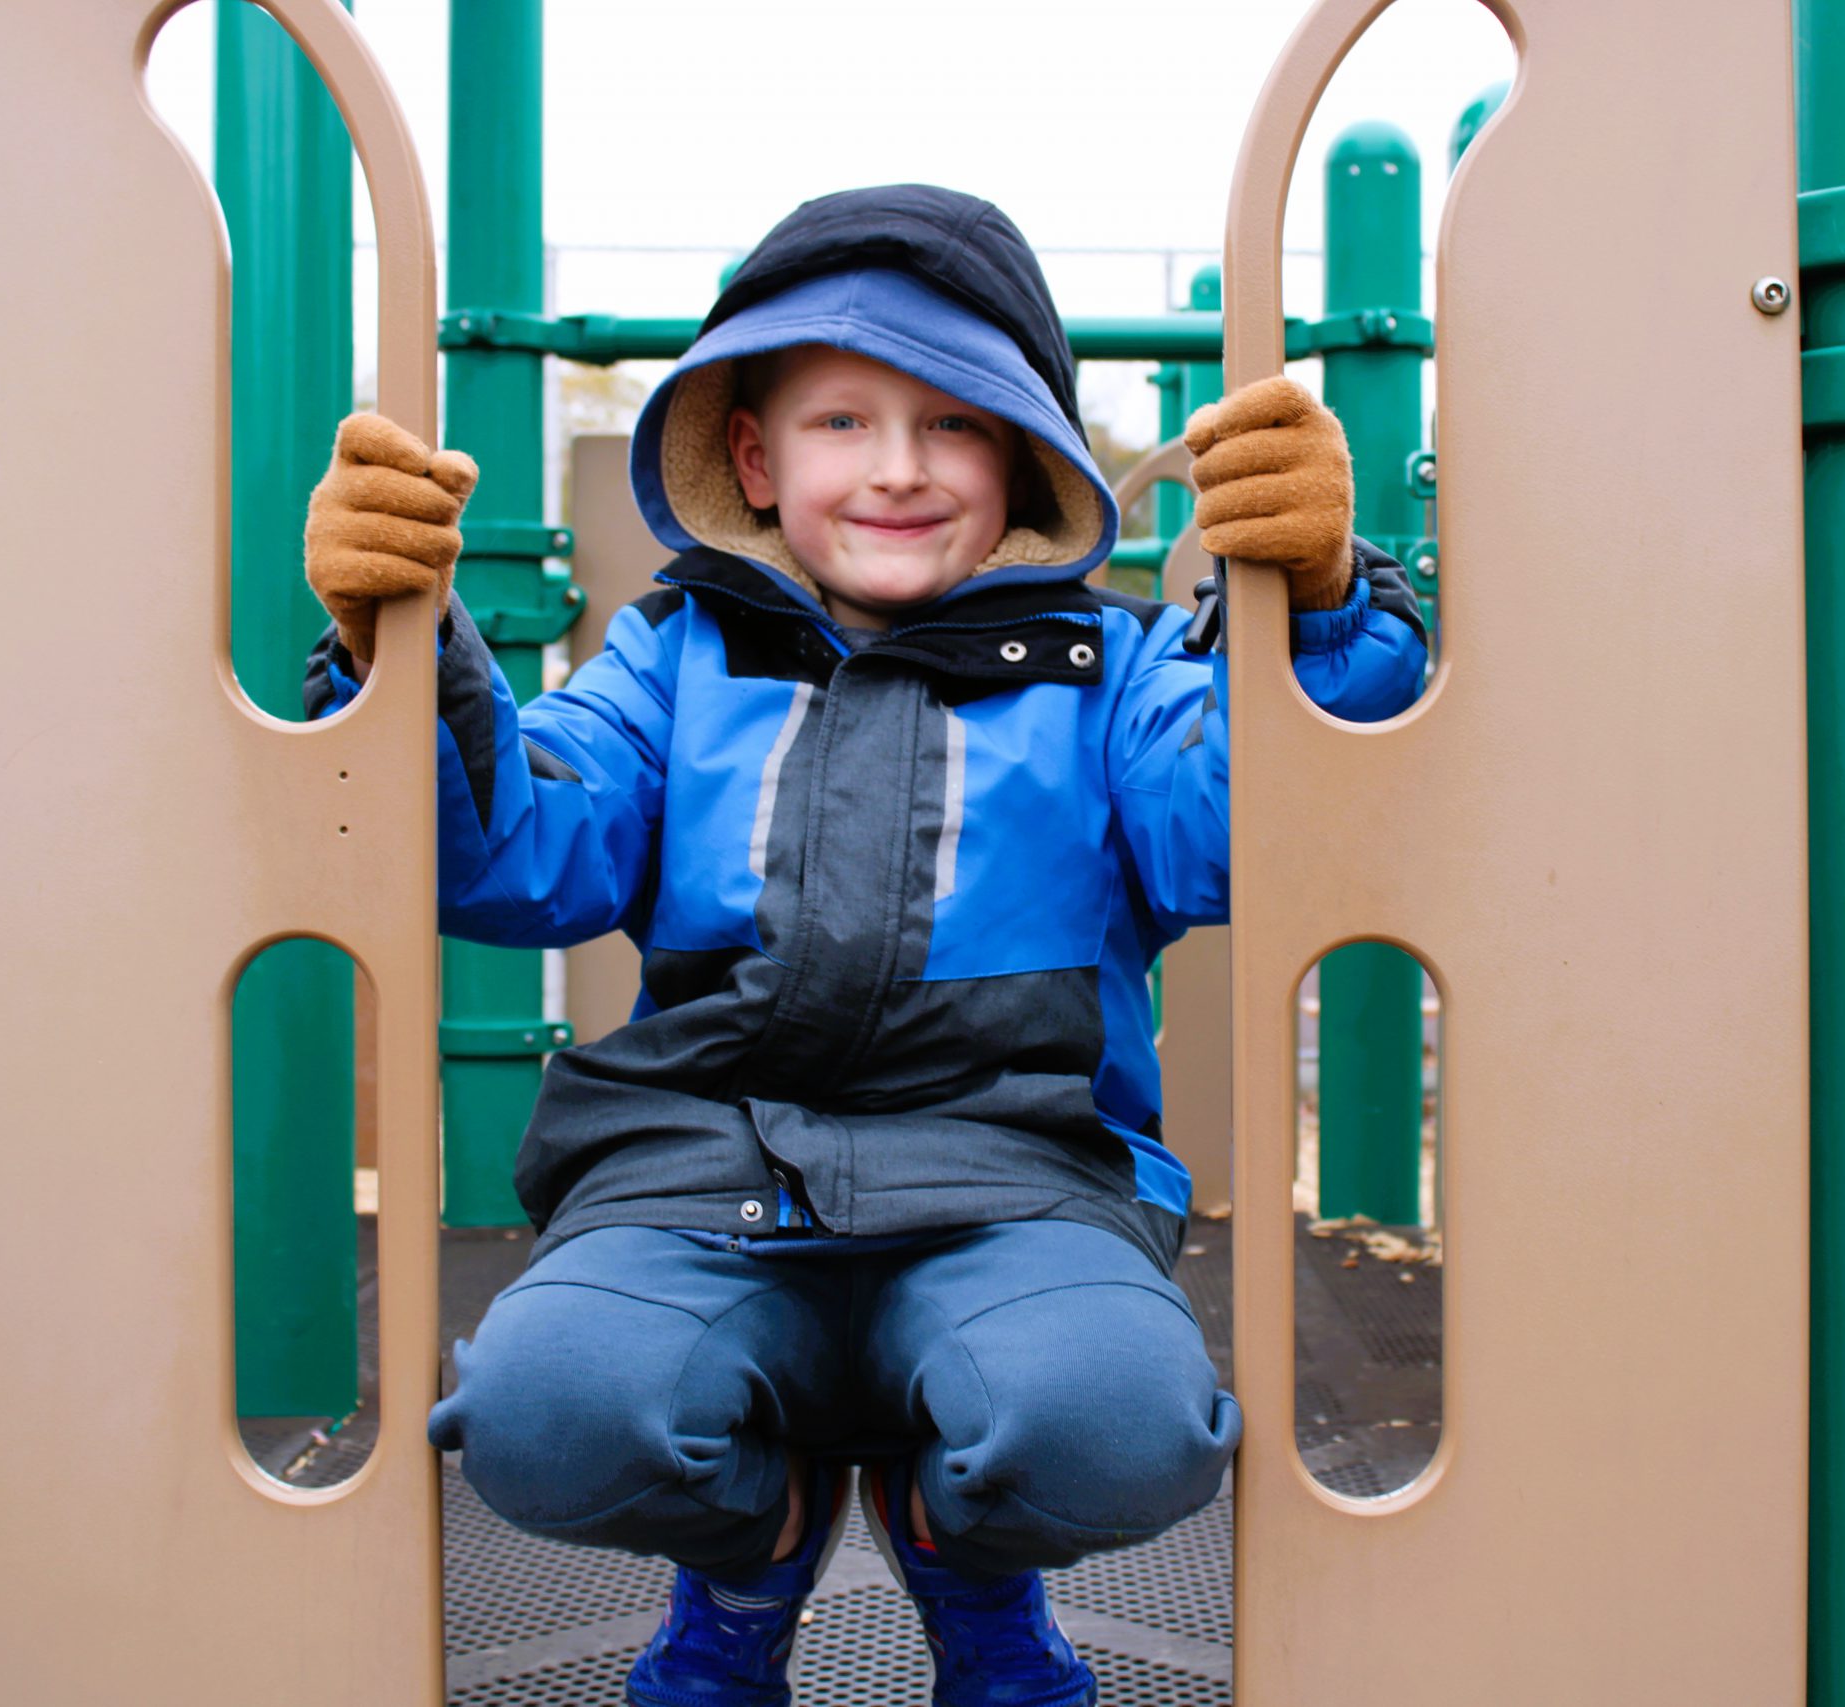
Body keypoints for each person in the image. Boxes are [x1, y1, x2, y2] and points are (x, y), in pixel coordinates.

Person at [301, 185, 1428, 1707]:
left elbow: (1231, 831)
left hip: (1013, 1174)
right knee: (544, 1408)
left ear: (1022, 452)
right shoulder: (676, 653)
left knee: (1111, 1420)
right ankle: (756, 1551)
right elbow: (522, 854)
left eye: (952, 424)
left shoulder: (1108, 669)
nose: (898, 468)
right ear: (757, 457)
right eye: (841, 421)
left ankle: (963, 1564)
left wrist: (1315, 603)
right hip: (701, 1167)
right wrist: (408, 653)